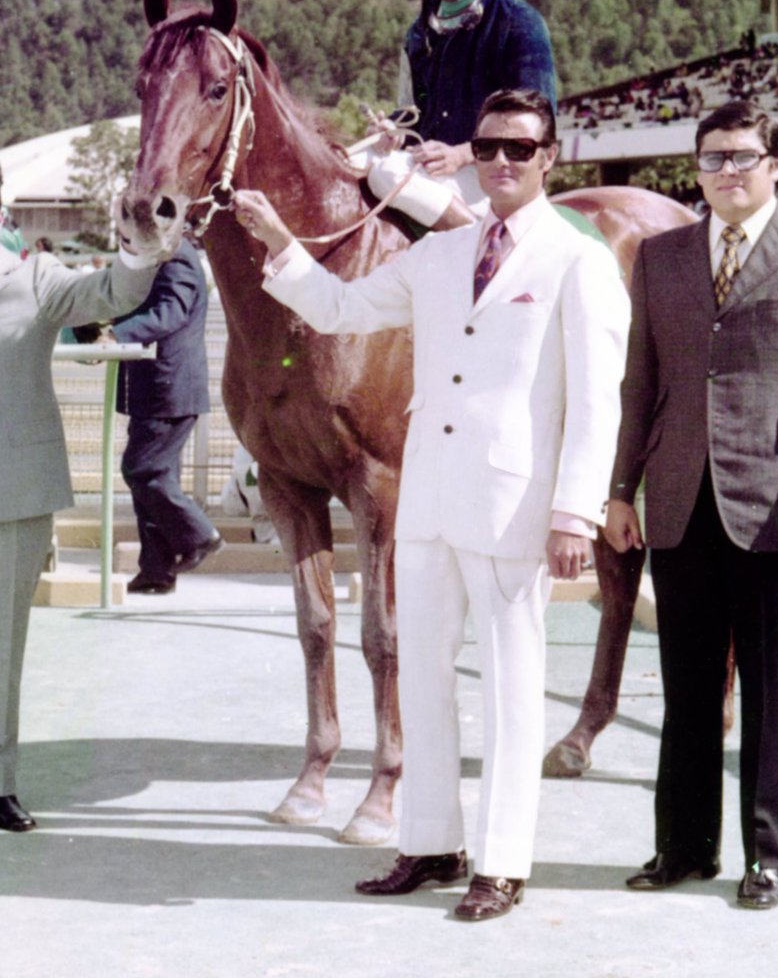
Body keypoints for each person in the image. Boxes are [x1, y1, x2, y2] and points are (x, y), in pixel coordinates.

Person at [234, 88, 629, 921]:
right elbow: (343, 309)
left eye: (521, 148)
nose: (503, 162)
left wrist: (574, 513)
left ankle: (503, 861)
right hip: (428, 501)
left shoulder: (575, 258)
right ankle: (428, 843)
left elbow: (598, 402)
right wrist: (280, 246)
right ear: (475, 156)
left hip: (515, 507)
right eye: (490, 147)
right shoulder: (442, 255)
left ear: (550, 157)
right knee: (421, 680)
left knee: (512, 688)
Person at [605, 100, 778, 911]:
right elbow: (640, 386)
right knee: (686, 686)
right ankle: (682, 847)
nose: (726, 170)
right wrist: (621, 492)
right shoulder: (661, 257)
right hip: (680, 500)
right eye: (711, 157)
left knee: (769, 688)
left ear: (776, 166)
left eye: (742, 157)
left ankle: (767, 856)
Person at [0, 204, 162, 831]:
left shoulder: (35, 277)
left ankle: (1, 782)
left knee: (3, 647)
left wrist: (141, 242)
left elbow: (115, 289)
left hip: (12, 493)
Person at [362, 0, 557, 232]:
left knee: (386, 173)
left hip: (497, 173)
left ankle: (487, 249)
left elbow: (540, 127)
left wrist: (463, 153)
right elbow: (411, 112)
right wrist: (393, 130)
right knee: (359, 159)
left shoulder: (520, 23)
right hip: (437, 174)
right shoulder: (418, 34)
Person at [108, 237, 222, 595]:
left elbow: (169, 313)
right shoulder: (163, 256)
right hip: (156, 389)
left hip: (168, 389)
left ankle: (200, 534)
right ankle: (156, 571)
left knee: (142, 470)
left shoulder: (178, 259)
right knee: (153, 482)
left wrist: (116, 334)